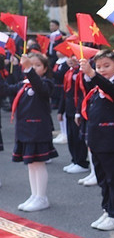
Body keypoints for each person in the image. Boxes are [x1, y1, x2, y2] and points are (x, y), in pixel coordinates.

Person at [78, 50, 114, 231]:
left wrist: (92, 74)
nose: (101, 69)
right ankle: (108, 209)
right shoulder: (96, 88)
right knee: (102, 179)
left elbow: (113, 91)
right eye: (98, 67)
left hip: (113, 141)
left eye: (106, 65)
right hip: (97, 140)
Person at [12, 52, 58, 212]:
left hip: (38, 130)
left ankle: (42, 197)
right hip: (25, 130)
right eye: (30, 64)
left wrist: (29, 69)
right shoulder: (23, 84)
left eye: (37, 65)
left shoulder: (46, 83)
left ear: (45, 69)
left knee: (38, 164)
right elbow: (6, 91)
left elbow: (41, 89)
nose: (32, 67)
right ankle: (35, 195)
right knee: (31, 165)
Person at [59, 55, 91, 179]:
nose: (70, 59)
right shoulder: (68, 72)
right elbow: (65, 92)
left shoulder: (82, 72)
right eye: (68, 56)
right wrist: (61, 110)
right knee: (71, 136)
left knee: (78, 137)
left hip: (78, 108)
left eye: (74, 56)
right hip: (69, 108)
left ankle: (82, 161)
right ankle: (75, 160)